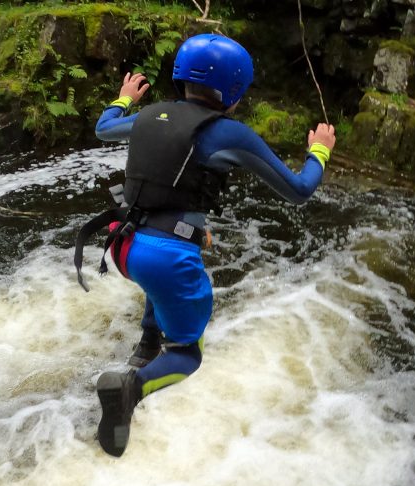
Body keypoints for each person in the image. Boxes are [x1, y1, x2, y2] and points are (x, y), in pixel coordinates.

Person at [74, 33, 336, 457]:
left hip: (122, 246)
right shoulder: (228, 134)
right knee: (188, 355)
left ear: (181, 79)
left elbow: (104, 129)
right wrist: (319, 152)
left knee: (167, 272)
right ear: (234, 90)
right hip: (164, 257)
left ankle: (145, 344)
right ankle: (131, 388)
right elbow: (299, 190)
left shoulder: (150, 116)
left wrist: (124, 98)